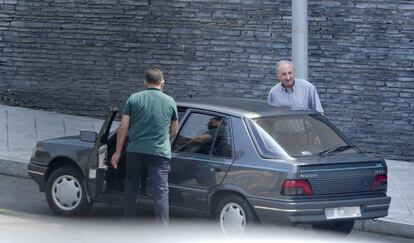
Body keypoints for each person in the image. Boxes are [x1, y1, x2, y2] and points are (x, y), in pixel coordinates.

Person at [111, 68, 178, 225]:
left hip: (135, 150)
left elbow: (123, 127)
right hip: (159, 153)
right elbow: (174, 130)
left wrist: (117, 152)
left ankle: (129, 224)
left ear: (145, 83)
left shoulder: (134, 99)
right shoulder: (170, 101)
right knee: (160, 192)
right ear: (162, 83)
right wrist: (163, 139)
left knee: (131, 185)